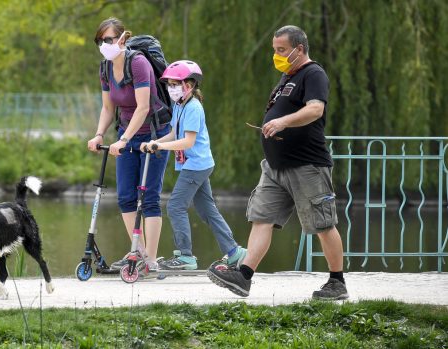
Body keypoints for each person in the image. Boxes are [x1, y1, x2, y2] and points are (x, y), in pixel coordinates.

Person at [207, 25, 349, 300]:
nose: (277, 55)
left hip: (306, 164)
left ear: (300, 48)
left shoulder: (313, 73)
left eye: (282, 50)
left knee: (323, 223)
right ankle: (243, 276)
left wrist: (282, 121)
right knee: (261, 218)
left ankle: (336, 282)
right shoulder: (287, 77)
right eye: (275, 50)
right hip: (274, 167)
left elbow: (315, 109)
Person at [141, 60, 247, 271]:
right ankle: (235, 252)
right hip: (194, 164)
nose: (171, 89)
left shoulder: (194, 108)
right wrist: (155, 142)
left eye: (175, 84)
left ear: (188, 86)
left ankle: (185, 257)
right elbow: (173, 133)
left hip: (196, 164)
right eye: (169, 84)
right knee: (207, 210)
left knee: (175, 206)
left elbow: (188, 141)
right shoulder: (179, 105)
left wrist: (161, 148)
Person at [87, 17, 170, 272]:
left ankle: (152, 260)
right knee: (125, 196)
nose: (105, 44)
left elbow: (143, 107)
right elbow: (108, 107)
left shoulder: (139, 63)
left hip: (155, 135)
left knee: (150, 198)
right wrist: (100, 134)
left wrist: (123, 140)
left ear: (123, 38)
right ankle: (139, 253)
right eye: (100, 41)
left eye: (109, 39)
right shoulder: (105, 68)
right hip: (127, 134)